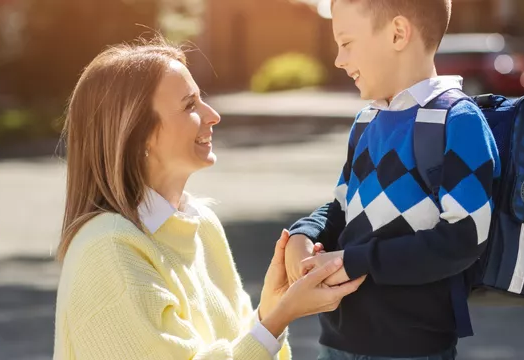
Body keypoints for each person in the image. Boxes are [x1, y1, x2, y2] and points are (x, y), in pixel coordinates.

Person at [52, 38, 366, 360]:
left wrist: (271, 309)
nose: (213, 115)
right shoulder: (109, 249)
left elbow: (237, 345)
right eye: (190, 105)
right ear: (138, 134)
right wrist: (278, 319)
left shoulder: (202, 224)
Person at [284, 0, 501, 359]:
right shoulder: (366, 122)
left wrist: (354, 261)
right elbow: (341, 208)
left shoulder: (458, 120)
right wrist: (304, 233)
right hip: (337, 343)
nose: (338, 59)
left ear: (398, 34)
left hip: (410, 348)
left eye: (347, 43)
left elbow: (463, 238)